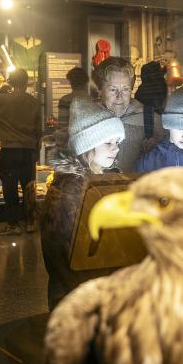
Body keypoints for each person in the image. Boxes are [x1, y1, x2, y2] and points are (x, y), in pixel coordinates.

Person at [34, 97, 125, 308]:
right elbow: (63, 257)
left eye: (117, 142)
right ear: (87, 145)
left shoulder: (104, 180)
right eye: (108, 142)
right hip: (76, 298)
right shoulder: (68, 190)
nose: (116, 149)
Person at [0, 69, 42, 236]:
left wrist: (1, 89)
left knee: (9, 188)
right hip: (28, 151)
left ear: (10, 82)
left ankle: (13, 224)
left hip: (9, 150)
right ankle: (31, 223)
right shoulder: (34, 103)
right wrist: (36, 153)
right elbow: (38, 132)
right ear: (26, 83)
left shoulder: (0, 100)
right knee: (29, 188)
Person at [91, 57, 164, 172]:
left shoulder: (151, 120)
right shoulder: (88, 122)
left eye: (125, 89)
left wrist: (159, 151)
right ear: (99, 90)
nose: (119, 97)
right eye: (113, 89)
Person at [55, 66, 89, 151]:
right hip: (88, 146)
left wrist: (59, 145)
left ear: (71, 82)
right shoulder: (93, 101)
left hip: (69, 146)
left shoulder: (65, 100)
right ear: (86, 81)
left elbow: (63, 126)